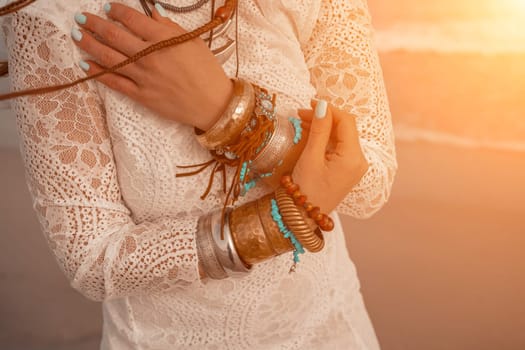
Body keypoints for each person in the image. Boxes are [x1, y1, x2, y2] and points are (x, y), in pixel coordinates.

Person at [2, 0, 397, 348]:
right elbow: (92, 260)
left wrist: (225, 111)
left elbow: (370, 183)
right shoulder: (53, 16)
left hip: (330, 333)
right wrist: (276, 227)